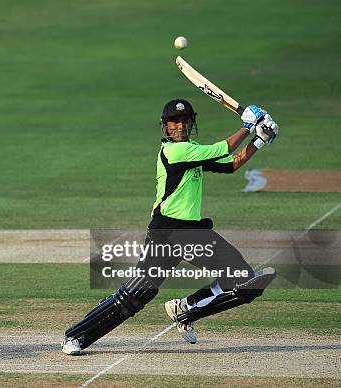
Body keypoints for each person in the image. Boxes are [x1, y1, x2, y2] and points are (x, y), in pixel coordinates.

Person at [62, 99, 279, 355]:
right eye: (175, 121)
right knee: (137, 295)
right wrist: (247, 127)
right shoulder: (174, 152)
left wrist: (259, 140)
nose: (181, 125)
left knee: (245, 281)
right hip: (166, 234)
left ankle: (186, 309)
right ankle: (75, 336)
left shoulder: (195, 151)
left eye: (186, 120)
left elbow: (231, 164)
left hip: (194, 233)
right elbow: (224, 148)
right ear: (165, 127)